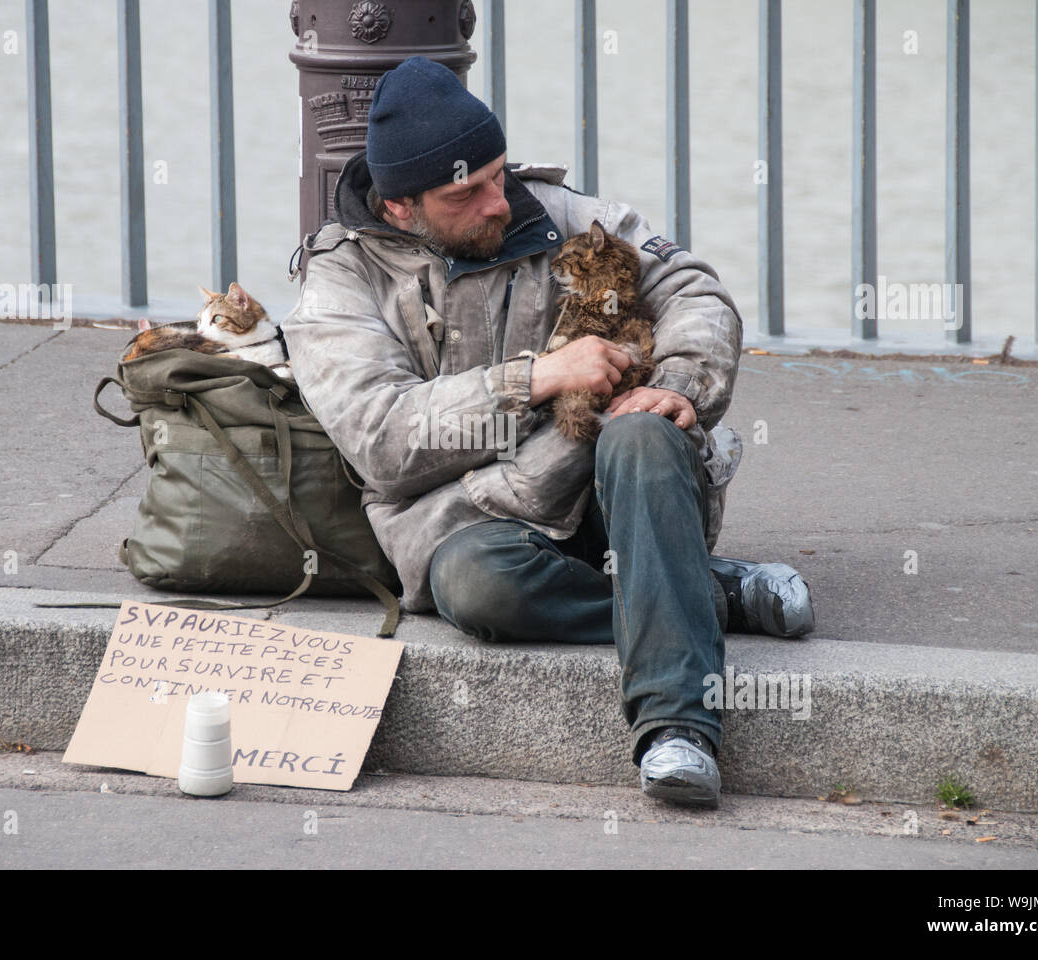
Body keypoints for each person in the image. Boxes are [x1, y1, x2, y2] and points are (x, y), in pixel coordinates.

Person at [283, 56, 799, 808]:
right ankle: (701, 590)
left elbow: (693, 289)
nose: (501, 202)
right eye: (469, 193)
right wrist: (536, 378)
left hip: (616, 491)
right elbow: (381, 438)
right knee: (476, 587)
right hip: (472, 524)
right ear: (401, 206)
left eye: (499, 175)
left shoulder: (557, 212)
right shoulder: (339, 279)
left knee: (643, 429)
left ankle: (676, 731)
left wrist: (679, 383)